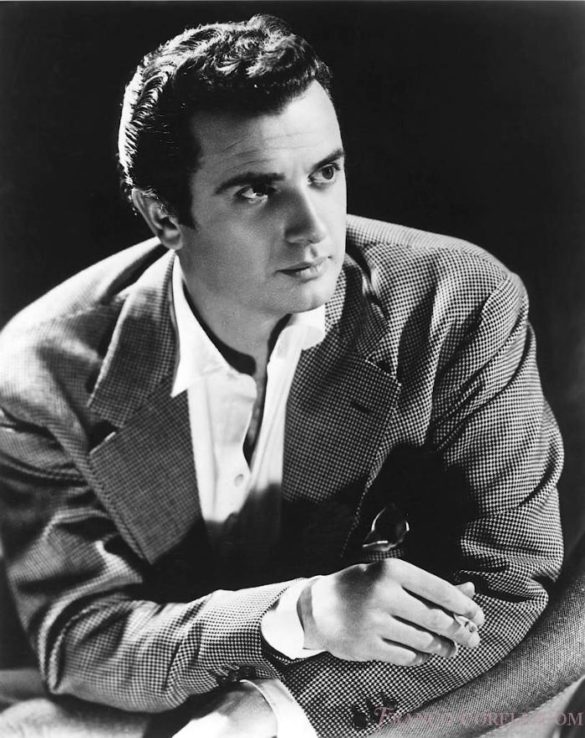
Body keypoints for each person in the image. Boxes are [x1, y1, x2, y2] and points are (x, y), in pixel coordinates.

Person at [0, 14, 563, 738]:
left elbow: (508, 582)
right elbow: (84, 640)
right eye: (256, 192)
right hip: (154, 706)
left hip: (388, 703)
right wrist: (297, 616)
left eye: (325, 173)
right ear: (163, 215)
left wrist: (274, 712)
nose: (314, 228)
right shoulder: (42, 371)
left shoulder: (460, 302)